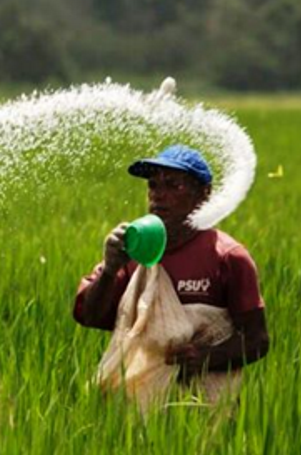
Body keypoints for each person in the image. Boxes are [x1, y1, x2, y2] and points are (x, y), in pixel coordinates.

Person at [74, 144, 269, 384]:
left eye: (173, 185)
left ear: (204, 194)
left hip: (205, 408)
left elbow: (257, 340)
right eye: (153, 185)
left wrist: (207, 356)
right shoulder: (133, 251)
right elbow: (91, 317)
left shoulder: (228, 257)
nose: (158, 194)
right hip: (135, 404)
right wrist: (110, 270)